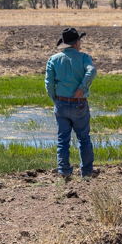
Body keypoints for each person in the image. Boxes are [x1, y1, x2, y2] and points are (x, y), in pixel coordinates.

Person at [45, 26, 97, 181]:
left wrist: (56, 99)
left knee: (63, 140)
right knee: (84, 138)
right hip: (79, 104)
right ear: (76, 43)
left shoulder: (53, 59)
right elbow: (92, 72)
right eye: (79, 41)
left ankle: (64, 171)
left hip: (61, 103)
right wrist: (82, 88)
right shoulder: (84, 57)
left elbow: (48, 83)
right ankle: (86, 173)